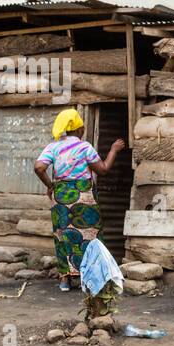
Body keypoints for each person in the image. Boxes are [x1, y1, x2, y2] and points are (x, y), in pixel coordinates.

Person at [34, 108, 125, 292]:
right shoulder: (84, 147)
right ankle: (91, 280)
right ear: (79, 128)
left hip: (61, 197)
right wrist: (114, 150)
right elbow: (103, 169)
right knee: (90, 237)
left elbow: (39, 168)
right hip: (83, 197)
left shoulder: (53, 147)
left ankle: (65, 281)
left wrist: (51, 185)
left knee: (62, 237)